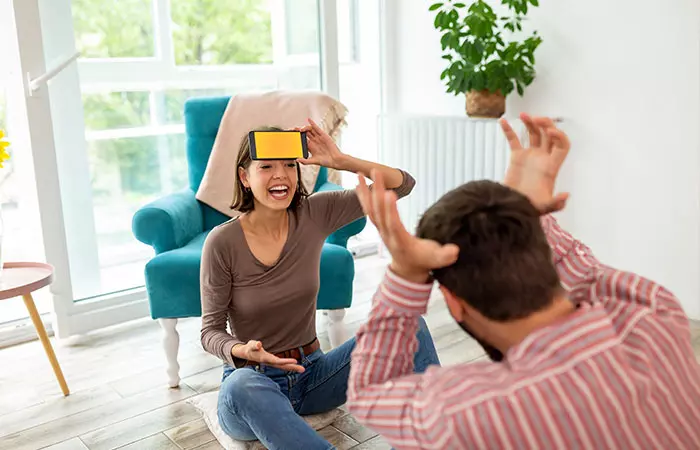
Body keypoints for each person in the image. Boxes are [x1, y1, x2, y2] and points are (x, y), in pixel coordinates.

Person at [347, 114, 700, 449]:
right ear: (537, 253)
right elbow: (590, 276)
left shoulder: (471, 412)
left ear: (453, 301)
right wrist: (525, 212)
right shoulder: (653, 313)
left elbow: (371, 391)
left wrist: (406, 273)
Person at [199, 119, 441, 450]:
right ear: (245, 176)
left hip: (313, 376)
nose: (280, 175)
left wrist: (342, 161)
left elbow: (401, 185)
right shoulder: (222, 242)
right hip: (252, 383)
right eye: (266, 166)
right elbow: (209, 331)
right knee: (241, 384)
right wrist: (241, 351)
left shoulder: (313, 213)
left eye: (288, 165)